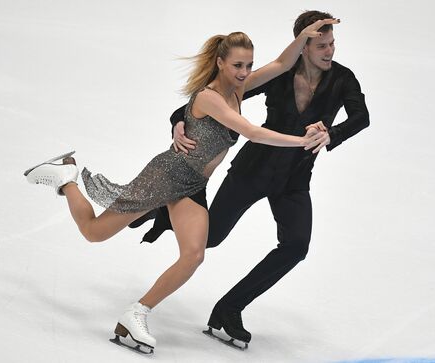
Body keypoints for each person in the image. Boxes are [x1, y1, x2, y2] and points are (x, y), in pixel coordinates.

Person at [24, 20, 337, 354]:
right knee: (94, 232)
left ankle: (136, 314)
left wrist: (303, 37)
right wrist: (303, 141)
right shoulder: (210, 97)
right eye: (237, 66)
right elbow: (253, 132)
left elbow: (280, 64)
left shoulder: (237, 90)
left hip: (193, 184)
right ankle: (65, 179)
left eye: (248, 65)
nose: (245, 72)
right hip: (168, 175)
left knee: (194, 254)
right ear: (220, 62)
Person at [165, 10, 369, 345]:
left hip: (294, 177)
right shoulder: (280, 76)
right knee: (210, 238)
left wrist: (332, 133)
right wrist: (178, 120)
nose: (330, 51)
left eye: (332, 44)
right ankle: (164, 207)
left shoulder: (343, 79)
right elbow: (216, 95)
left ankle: (229, 308)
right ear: (303, 46)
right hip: (253, 170)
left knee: (295, 246)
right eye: (321, 45)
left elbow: (361, 117)